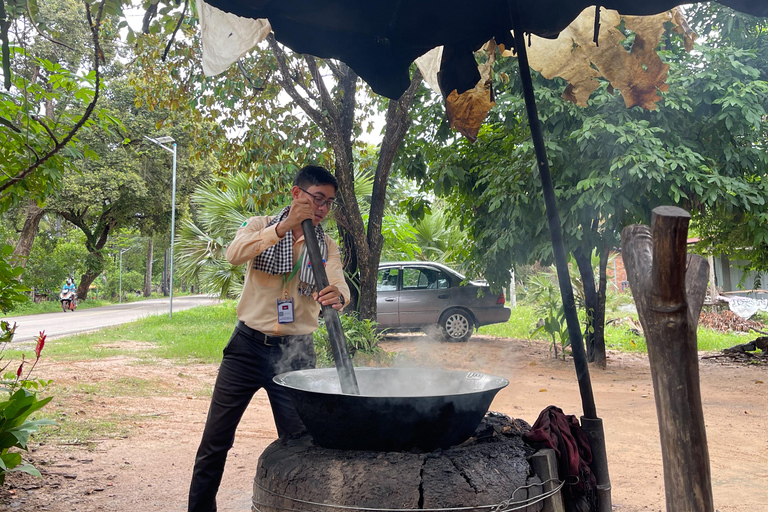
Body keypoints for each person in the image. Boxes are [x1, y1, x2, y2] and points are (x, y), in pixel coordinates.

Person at [188, 165, 350, 512]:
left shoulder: (327, 245)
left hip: (297, 356)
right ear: (296, 194)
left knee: (301, 446)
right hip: (246, 349)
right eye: (317, 199)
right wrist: (281, 229)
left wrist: (340, 295)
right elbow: (234, 254)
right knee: (215, 442)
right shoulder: (259, 226)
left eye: (328, 203)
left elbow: (339, 283)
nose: (322, 209)